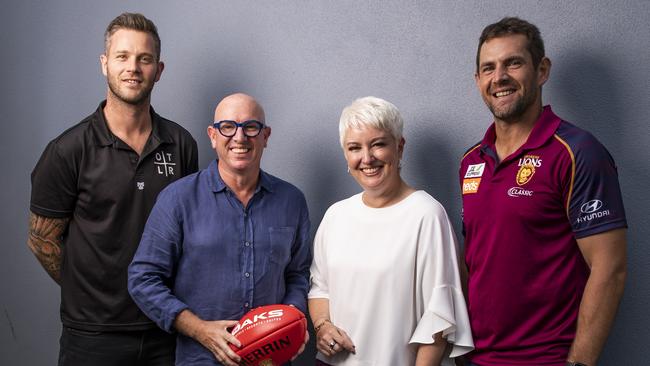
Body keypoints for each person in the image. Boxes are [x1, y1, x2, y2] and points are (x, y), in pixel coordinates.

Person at [28, 12, 198, 366]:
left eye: (144, 58)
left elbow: (189, 232)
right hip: (92, 336)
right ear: (105, 64)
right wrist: (91, 291)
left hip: (165, 329)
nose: (133, 67)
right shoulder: (68, 150)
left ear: (159, 69)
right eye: (122, 56)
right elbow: (42, 241)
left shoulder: (181, 144)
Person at [460, 17, 627, 366]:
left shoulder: (578, 152)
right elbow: (474, 260)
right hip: (479, 360)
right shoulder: (470, 161)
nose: (499, 77)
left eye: (513, 63)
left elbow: (609, 268)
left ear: (542, 70)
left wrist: (579, 362)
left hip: (548, 358)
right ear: (478, 81)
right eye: (488, 68)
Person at [128, 93, 311, 366]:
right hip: (201, 359)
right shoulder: (178, 199)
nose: (239, 137)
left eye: (251, 127)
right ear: (213, 136)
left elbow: (297, 274)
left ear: (266, 136)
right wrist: (199, 329)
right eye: (228, 127)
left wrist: (293, 322)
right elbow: (142, 278)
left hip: (272, 359)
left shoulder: (291, 200)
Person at [309, 96, 474, 366]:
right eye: (354, 148)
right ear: (345, 155)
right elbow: (320, 289)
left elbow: (440, 319)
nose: (367, 158)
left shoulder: (426, 215)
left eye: (378, 144)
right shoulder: (335, 216)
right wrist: (322, 326)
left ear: (399, 146)